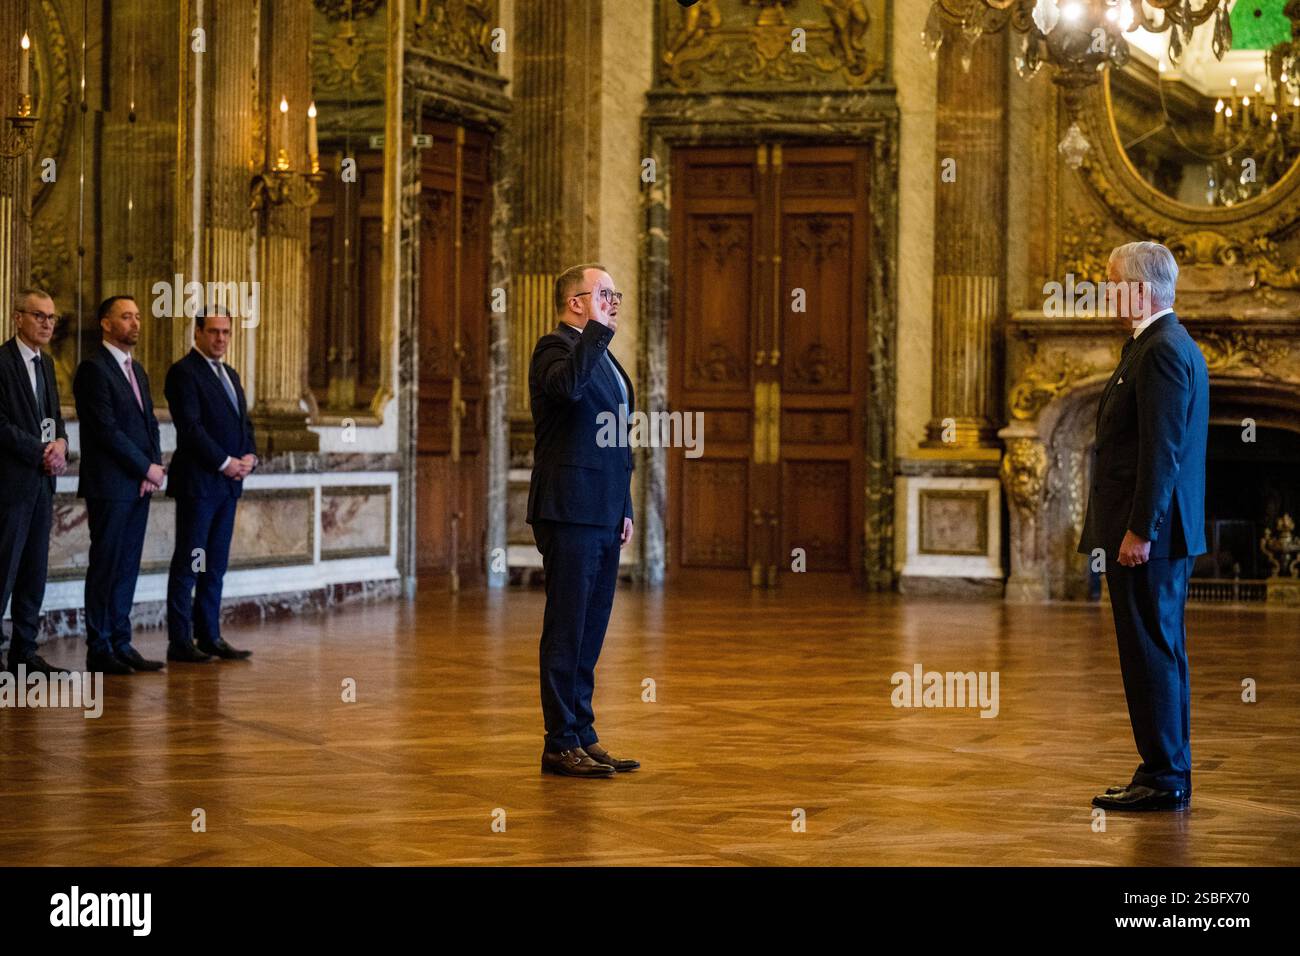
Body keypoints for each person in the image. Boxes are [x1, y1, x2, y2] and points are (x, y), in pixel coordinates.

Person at [1079, 241, 1209, 812]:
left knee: (1150, 652)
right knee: (1158, 650)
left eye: (1111, 283)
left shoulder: (1158, 349)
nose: (1106, 293)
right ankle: (1163, 768)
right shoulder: (1160, 344)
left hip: (1148, 539)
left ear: (1138, 288)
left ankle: (1164, 776)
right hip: (1153, 533)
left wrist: (1139, 530)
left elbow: (1163, 452)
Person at [527, 263, 639, 778]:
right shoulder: (554, 349)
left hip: (602, 510)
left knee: (591, 628)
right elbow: (568, 390)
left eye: (616, 295)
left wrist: (625, 507)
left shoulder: (607, 357)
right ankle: (558, 742)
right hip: (569, 509)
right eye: (605, 294)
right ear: (577, 302)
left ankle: (583, 732)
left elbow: (619, 440)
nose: (614, 302)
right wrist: (597, 331)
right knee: (567, 627)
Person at [74, 295, 165, 675]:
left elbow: (149, 425)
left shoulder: (137, 369)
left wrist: (153, 467)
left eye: (138, 317)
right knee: (107, 565)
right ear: (106, 324)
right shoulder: (93, 369)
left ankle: (121, 641)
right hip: (109, 485)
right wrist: (145, 467)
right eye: (126, 317)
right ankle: (100, 647)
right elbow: (107, 432)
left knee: (127, 565)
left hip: (137, 484)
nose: (135, 323)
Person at [163, 306, 257, 663]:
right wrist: (225, 462)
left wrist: (249, 456)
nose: (221, 339)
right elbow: (191, 428)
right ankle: (180, 641)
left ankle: (210, 635)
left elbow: (243, 425)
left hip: (228, 486)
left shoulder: (231, 375)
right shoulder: (183, 373)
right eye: (214, 331)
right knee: (191, 562)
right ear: (197, 333)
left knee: (214, 564)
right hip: (199, 485)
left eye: (226, 332)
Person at [0, 289, 69, 675]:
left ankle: (24, 653)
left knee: (33, 572)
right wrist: (41, 450)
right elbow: (1, 426)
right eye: (39, 316)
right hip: (10, 486)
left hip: (42, 487)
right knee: (3, 570)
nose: (47, 323)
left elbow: (54, 418)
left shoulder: (47, 365)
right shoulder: (1, 362)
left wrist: (60, 442)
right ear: (18, 318)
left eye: (51, 317)